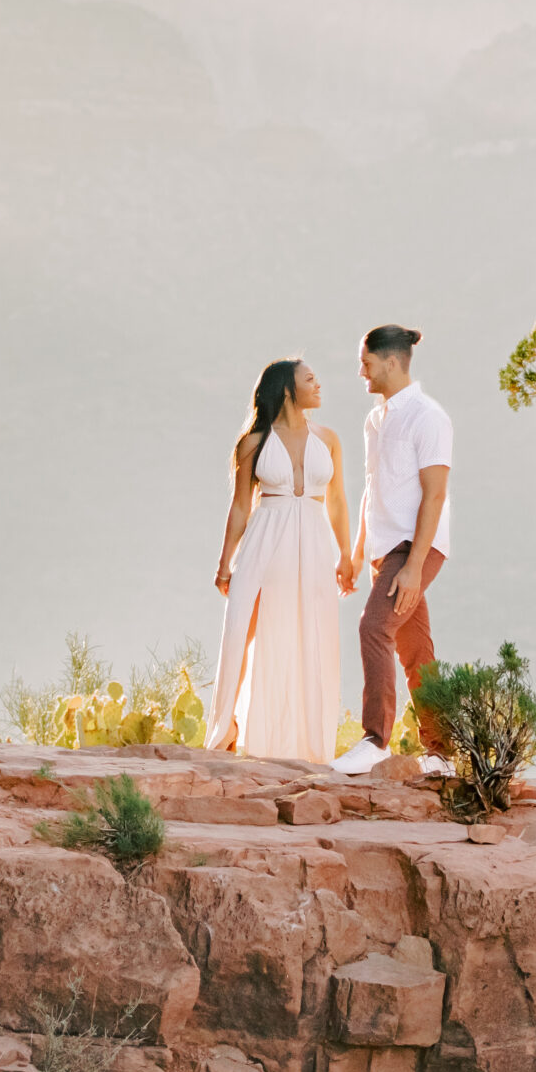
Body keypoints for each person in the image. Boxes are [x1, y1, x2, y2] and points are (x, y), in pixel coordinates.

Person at [208, 357, 357, 763]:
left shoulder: (328, 439)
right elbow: (240, 507)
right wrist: (225, 563)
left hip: (311, 544)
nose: (319, 384)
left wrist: (346, 554)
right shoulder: (253, 443)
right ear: (288, 389)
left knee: (309, 634)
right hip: (264, 541)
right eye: (310, 379)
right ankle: (226, 727)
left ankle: (304, 744)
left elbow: (338, 501)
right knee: (242, 628)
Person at [333, 324, 453, 776]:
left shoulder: (428, 417)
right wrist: (360, 552)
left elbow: (435, 495)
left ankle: (374, 741)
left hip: (415, 547)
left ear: (391, 361)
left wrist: (415, 567)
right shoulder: (375, 420)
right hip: (387, 551)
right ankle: (441, 752)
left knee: (373, 628)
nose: (360, 371)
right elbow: (371, 487)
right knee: (415, 649)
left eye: (365, 362)